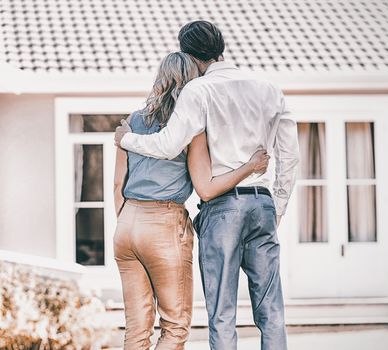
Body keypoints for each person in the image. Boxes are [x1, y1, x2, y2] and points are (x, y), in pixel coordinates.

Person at [114, 21, 300, 350]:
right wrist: (278, 208)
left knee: (221, 312)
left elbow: (167, 148)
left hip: (217, 209)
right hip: (262, 203)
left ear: (189, 55)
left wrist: (126, 139)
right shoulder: (268, 87)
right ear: (220, 47)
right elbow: (290, 156)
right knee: (271, 309)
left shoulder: (196, 93)